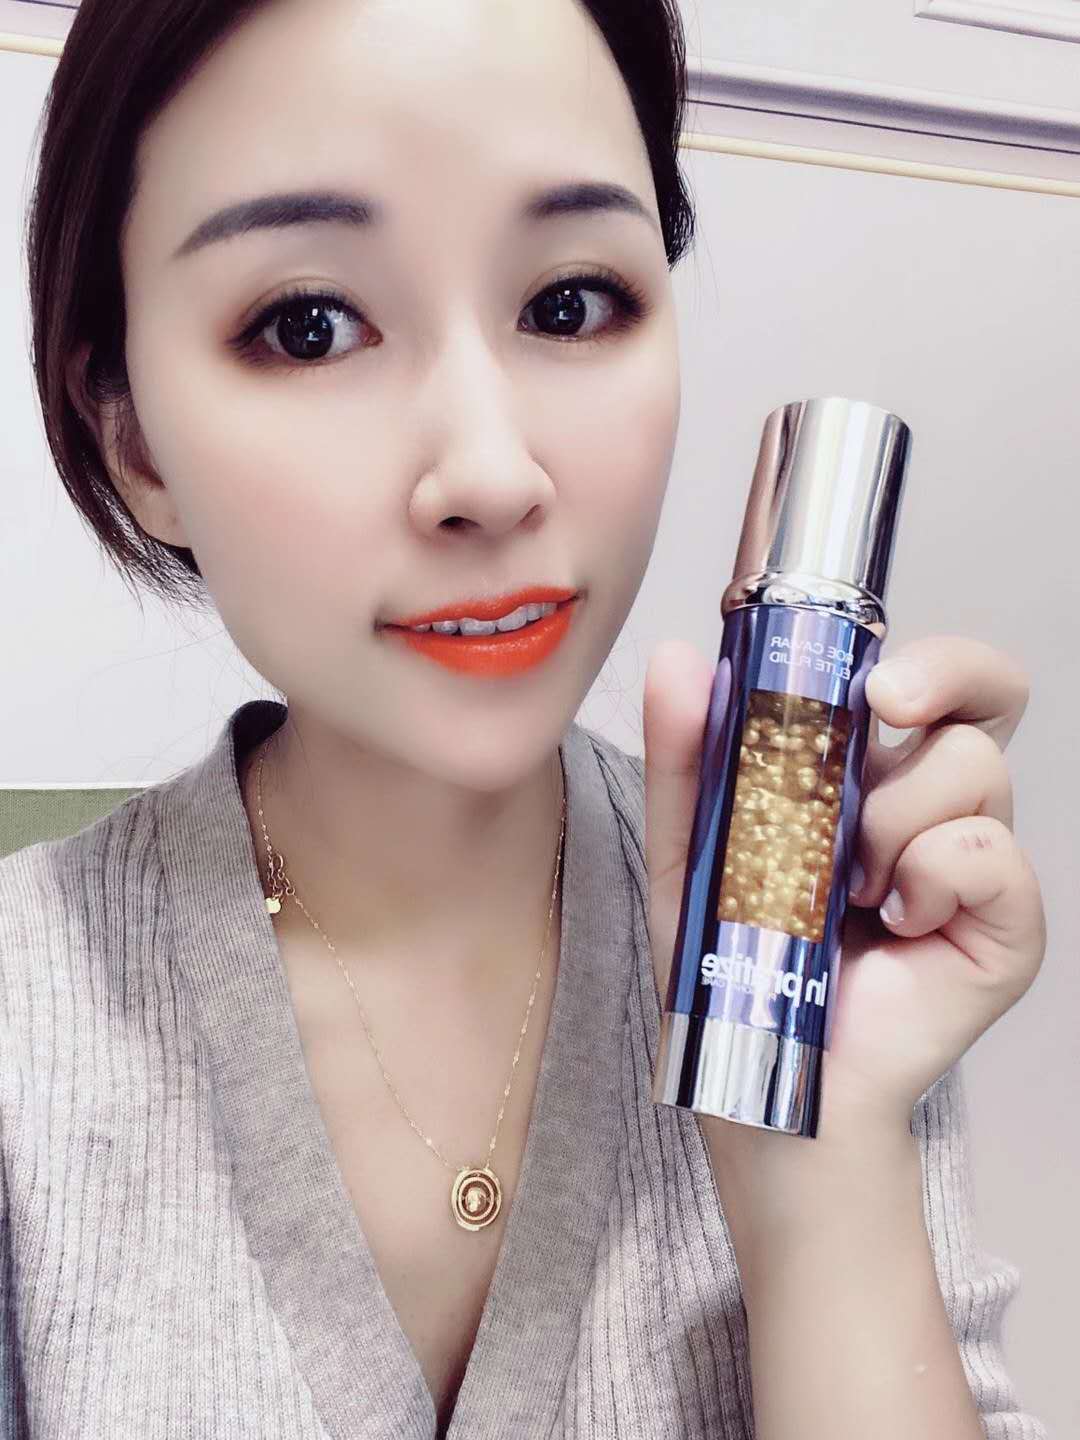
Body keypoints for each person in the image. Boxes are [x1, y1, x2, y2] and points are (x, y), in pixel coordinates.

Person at [1, 0, 1048, 1436]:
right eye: (310, 326)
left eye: (568, 303)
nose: (491, 475)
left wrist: (825, 1169)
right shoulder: (29, 1025)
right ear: (132, 440)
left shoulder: (794, 941)